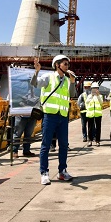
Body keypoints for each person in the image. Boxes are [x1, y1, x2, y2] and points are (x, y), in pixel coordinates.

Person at [31, 54, 77, 185]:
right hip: (49, 115)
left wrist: (72, 82)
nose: (67, 67)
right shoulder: (48, 77)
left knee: (64, 145)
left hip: (63, 116)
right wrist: (36, 71)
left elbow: (72, 94)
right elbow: (34, 83)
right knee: (46, 145)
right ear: (57, 65)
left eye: (68, 64)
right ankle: (44, 173)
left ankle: (62, 171)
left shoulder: (67, 80)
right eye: (65, 64)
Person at [85, 82, 103, 147]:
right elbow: (86, 102)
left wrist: (97, 95)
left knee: (98, 128)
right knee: (90, 128)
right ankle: (90, 140)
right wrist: (92, 96)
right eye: (93, 88)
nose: (95, 89)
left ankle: (97, 141)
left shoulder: (100, 96)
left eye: (96, 88)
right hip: (90, 114)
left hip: (98, 114)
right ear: (91, 89)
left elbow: (101, 102)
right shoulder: (89, 96)